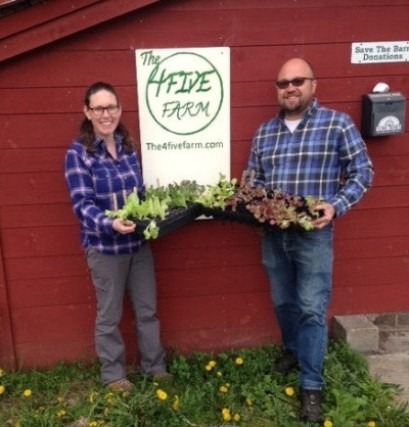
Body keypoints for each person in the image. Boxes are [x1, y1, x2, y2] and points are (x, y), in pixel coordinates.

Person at [246, 58, 374, 423]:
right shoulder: (264, 133)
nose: (290, 87)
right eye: (283, 82)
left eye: (297, 81)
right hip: (274, 236)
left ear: (313, 85)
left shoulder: (337, 124)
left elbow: (363, 171)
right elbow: (253, 179)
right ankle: (292, 350)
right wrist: (252, 202)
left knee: (311, 309)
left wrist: (336, 205)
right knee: (283, 302)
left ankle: (311, 386)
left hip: (313, 237)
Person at [64, 81, 171, 392]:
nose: (105, 114)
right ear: (87, 112)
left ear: (119, 109)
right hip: (104, 248)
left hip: (137, 244)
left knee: (147, 309)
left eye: (110, 107)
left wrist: (153, 212)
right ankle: (113, 375)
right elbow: (82, 204)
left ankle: (155, 367)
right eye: (98, 108)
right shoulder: (78, 154)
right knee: (109, 316)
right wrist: (109, 224)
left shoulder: (127, 146)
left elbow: (138, 192)